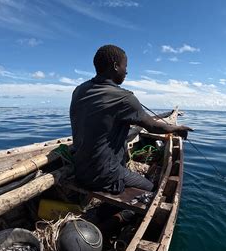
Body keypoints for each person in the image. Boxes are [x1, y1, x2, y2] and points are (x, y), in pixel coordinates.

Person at [70, 44, 193, 194]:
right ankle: (120, 215)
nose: (126, 71)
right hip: (104, 176)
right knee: (153, 189)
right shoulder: (125, 98)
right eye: (125, 66)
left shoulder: (79, 90)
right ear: (116, 66)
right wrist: (177, 129)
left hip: (79, 171)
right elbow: (153, 127)